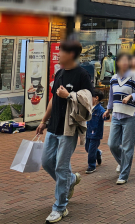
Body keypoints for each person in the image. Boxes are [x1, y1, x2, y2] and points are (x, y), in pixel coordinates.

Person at [37, 39, 94, 223]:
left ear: (70, 55)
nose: (58, 55)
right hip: (54, 126)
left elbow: (89, 100)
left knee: (61, 166)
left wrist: (69, 95)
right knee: (46, 162)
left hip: (69, 128)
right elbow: (54, 99)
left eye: (60, 52)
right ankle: (69, 180)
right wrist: (43, 121)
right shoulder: (59, 73)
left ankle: (60, 207)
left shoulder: (82, 75)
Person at [103, 53, 135, 185]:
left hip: (130, 115)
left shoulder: (134, 77)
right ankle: (123, 162)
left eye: (127, 60)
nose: (124, 63)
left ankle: (124, 174)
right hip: (116, 115)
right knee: (112, 144)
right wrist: (108, 110)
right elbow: (111, 96)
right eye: (122, 61)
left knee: (127, 147)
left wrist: (131, 97)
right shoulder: (114, 79)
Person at [85, 90, 105, 174]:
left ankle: (91, 166)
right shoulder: (89, 107)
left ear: (96, 98)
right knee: (87, 148)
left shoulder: (100, 109)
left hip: (96, 132)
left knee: (91, 150)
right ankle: (98, 153)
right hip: (88, 130)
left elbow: (105, 116)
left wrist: (106, 115)